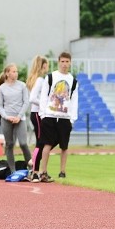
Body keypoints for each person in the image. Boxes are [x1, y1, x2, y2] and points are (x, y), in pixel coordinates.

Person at [36, 52, 78, 182]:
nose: (65, 64)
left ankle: (62, 171)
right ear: (59, 62)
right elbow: (43, 96)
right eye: (63, 61)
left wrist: (72, 118)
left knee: (64, 146)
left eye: (67, 62)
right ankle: (43, 171)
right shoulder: (50, 77)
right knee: (47, 144)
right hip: (50, 115)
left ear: (70, 63)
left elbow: (74, 100)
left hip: (65, 117)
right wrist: (43, 114)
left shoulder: (73, 81)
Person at [0, 63, 33, 175]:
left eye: (17, 71)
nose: (16, 73)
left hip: (20, 118)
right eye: (13, 71)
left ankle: (31, 167)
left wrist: (19, 116)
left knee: (23, 143)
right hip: (7, 119)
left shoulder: (22, 86)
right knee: (9, 144)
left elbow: (26, 102)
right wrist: (6, 116)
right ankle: (12, 171)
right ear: (7, 73)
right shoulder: (2, 88)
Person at [26, 55, 50, 181]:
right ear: (43, 65)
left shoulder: (37, 79)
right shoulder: (40, 80)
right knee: (41, 142)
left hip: (36, 114)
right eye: (46, 64)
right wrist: (44, 103)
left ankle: (36, 168)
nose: (48, 67)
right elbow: (32, 98)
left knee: (42, 141)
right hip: (37, 114)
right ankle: (34, 169)